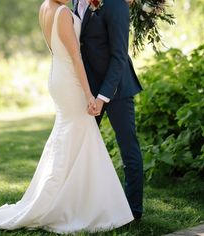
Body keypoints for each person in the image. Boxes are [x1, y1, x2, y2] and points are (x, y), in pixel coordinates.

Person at [0, 0, 134, 234]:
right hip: (71, 81)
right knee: (79, 137)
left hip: (57, 74)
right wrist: (89, 94)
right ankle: (77, 204)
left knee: (70, 138)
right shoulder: (64, 13)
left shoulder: (45, 7)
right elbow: (76, 57)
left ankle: (76, 198)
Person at [73, 0, 144, 219]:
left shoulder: (116, 5)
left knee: (128, 149)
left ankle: (133, 210)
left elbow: (119, 55)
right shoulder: (75, 1)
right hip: (89, 89)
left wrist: (102, 97)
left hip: (117, 89)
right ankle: (81, 203)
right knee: (80, 146)